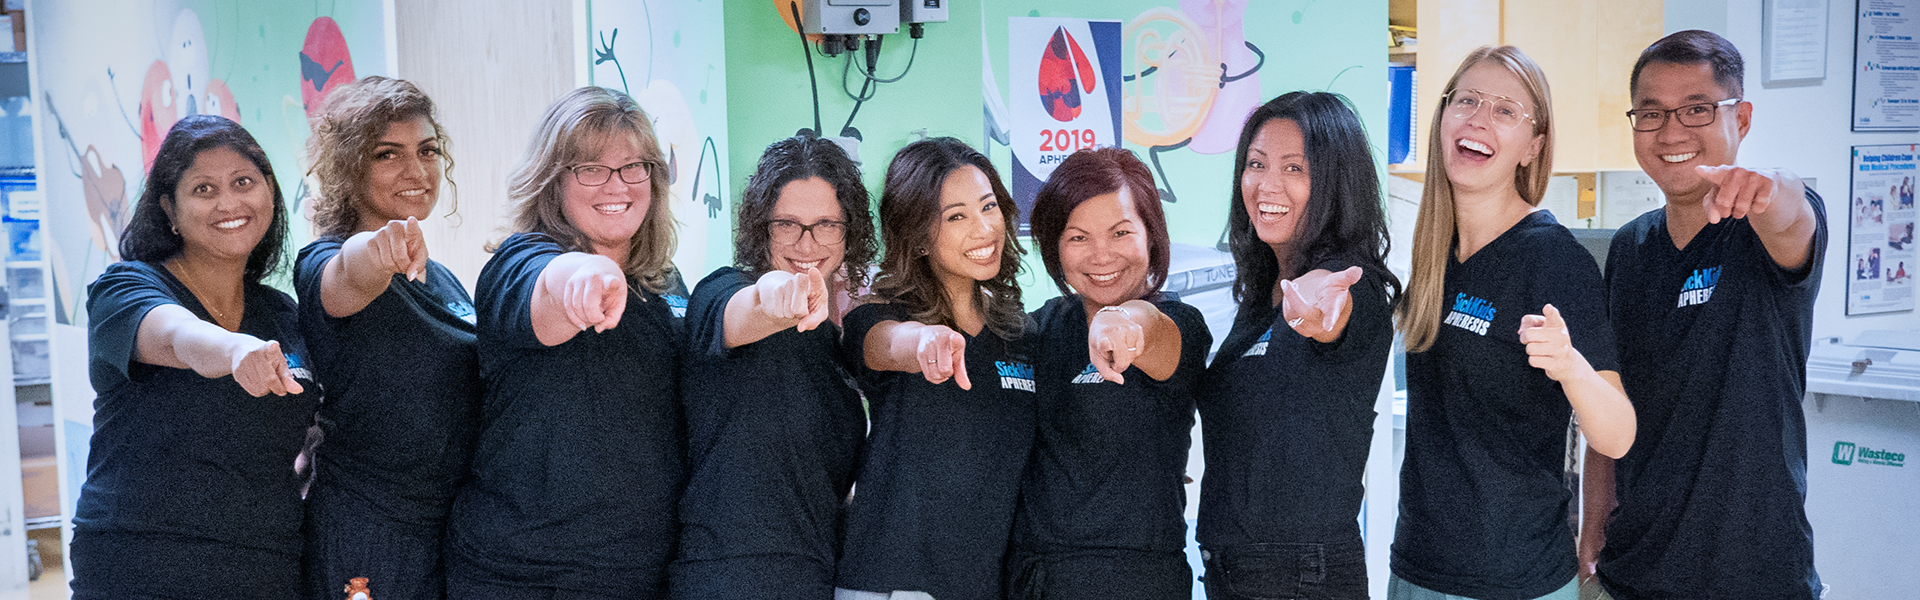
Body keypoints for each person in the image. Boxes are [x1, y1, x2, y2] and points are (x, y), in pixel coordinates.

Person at [1581, 34, 1829, 600]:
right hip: (1633, 571)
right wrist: (1593, 521)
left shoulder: (1764, 229)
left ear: (1740, 118)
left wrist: (1771, 188)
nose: (1671, 132)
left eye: (1697, 109)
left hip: (1756, 575)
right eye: (1651, 113)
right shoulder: (1628, 248)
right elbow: (1607, 395)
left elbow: (1791, 215)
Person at [1389, 46, 1636, 600]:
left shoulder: (1554, 259)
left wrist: (1571, 367)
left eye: (1505, 110)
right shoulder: (1434, 252)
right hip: (1418, 569)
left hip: (1517, 580)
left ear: (1533, 147)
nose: (1478, 118)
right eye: (1468, 100)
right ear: (1443, 117)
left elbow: (1618, 433)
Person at [444, 86, 688, 599]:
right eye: (591, 168)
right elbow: (551, 286)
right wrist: (587, 271)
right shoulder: (517, 262)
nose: (616, 184)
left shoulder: (665, 285)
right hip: (524, 575)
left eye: (633, 166)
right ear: (553, 180)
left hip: (636, 575)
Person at [76, 115, 318, 597]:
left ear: (269, 192)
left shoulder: (282, 314)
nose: (229, 203)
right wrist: (234, 350)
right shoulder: (126, 289)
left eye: (243, 182)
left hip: (266, 566)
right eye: (204, 189)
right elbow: (175, 335)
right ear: (170, 208)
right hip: (141, 565)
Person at [1198, 91, 1400, 600]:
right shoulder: (1263, 292)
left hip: (1302, 578)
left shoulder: (1349, 286)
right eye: (1256, 164)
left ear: (1334, 184)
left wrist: (1315, 311)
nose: (1267, 184)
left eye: (1295, 168)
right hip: (1231, 571)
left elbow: (1327, 310)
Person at [294, 76, 478, 600]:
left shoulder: (440, 277)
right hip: (368, 535)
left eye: (428, 150)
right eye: (387, 154)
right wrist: (379, 249)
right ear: (350, 168)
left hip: (446, 531)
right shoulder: (324, 261)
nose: (416, 170)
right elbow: (349, 277)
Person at [671, 135, 878, 599]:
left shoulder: (833, 343)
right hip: (724, 577)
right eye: (786, 224)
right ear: (761, 227)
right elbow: (749, 309)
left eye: (826, 224)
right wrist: (779, 295)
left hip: (813, 577)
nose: (807, 242)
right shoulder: (720, 291)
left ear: (849, 231)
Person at [1006, 147, 1210, 600]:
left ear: (1150, 236)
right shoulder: (1040, 326)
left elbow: (1152, 330)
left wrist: (1124, 324)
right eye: (1077, 237)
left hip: (1132, 579)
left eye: (1120, 233)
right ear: (1054, 246)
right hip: (1033, 576)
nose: (1101, 255)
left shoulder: (1180, 324)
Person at [835, 137, 1032, 600]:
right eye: (957, 216)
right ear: (920, 236)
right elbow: (884, 345)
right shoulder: (879, 316)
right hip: (893, 587)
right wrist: (923, 341)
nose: (984, 229)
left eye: (988, 207)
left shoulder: (1021, 333)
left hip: (986, 586)